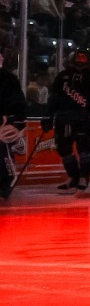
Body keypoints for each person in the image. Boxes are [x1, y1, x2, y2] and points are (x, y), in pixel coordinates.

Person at [50, 49, 90, 193]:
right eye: (78, 57)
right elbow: (53, 98)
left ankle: (83, 177)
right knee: (63, 148)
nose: (81, 60)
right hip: (63, 117)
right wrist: (48, 116)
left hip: (84, 117)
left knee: (83, 147)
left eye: (84, 58)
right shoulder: (62, 76)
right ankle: (72, 176)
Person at [0, 54, 28, 202]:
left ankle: (6, 182)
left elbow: (18, 105)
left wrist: (16, 123)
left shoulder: (9, 79)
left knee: (3, 146)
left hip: (6, 123)